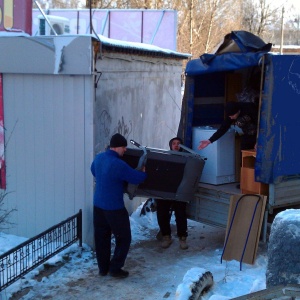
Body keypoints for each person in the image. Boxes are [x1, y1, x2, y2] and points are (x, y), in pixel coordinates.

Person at [91, 133, 147, 279]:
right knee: (124, 238)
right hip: (114, 208)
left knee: (101, 237)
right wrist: (143, 173)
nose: (125, 151)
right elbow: (136, 178)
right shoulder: (118, 164)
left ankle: (103, 268)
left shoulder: (99, 158)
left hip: (98, 206)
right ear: (118, 147)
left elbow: (93, 170)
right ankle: (115, 268)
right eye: (124, 148)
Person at [156, 137, 189, 250]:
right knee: (162, 213)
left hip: (180, 192)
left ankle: (182, 238)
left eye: (178, 143)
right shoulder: (165, 158)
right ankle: (166, 237)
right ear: (170, 145)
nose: (176, 145)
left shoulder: (186, 159)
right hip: (166, 191)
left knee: (180, 214)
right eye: (174, 143)